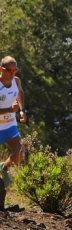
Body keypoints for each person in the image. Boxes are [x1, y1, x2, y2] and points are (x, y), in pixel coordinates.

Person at [0, 56, 27, 188]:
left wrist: (22, 110)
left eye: (14, 71)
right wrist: (9, 109)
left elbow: (20, 93)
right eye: (9, 71)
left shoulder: (16, 81)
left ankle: (3, 167)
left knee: (20, 154)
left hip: (10, 124)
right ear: (1, 69)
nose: (12, 73)